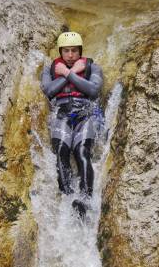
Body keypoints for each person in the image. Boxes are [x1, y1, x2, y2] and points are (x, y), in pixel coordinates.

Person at [40, 31, 104, 215]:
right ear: (60, 52)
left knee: (81, 151)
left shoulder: (92, 67)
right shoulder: (50, 69)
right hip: (62, 113)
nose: (69, 55)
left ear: (80, 51)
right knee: (61, 151)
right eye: (66, 51)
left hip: (86, 113)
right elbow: (49, 91)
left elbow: (93, 90)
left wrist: (68, 72)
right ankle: (67, 196)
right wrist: (68, 74)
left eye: (74, 51)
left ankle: (85, 198)